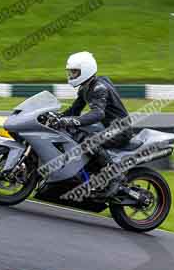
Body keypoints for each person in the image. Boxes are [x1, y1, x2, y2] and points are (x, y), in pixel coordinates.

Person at [57, 51, 134, 198]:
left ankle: (115, 176)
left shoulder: (99, 88)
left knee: (90, 142)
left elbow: (98, 113)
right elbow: (74, 110)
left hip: (120, 129)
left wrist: (71, 120)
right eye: (71, 72)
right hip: (109, 127)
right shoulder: (85, 87)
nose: (71, 75)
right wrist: (57, 117)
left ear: (85, 70)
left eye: (74, 72)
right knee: (76, 134)